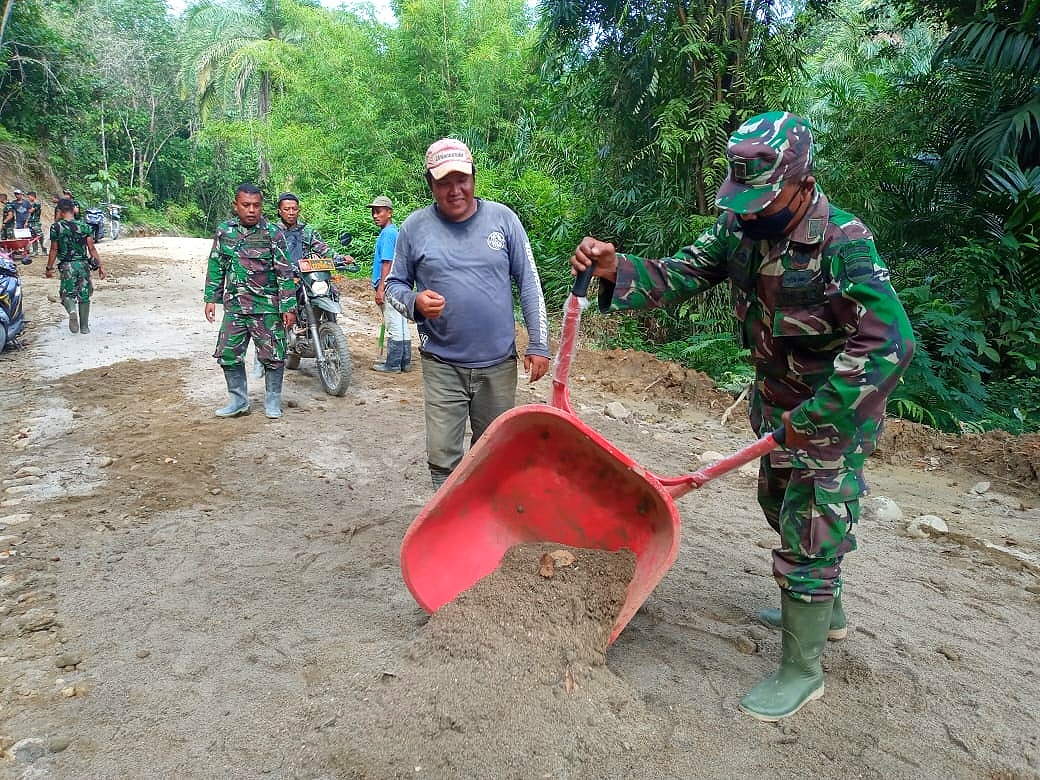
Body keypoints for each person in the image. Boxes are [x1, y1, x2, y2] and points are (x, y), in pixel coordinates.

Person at [570, 111, 916, 722]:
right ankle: (824, 610)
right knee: (777, 505)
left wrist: (824, 413)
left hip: (835, 411)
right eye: (744, 197)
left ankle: (802, 672)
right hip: (777, 403)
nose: (751, 210)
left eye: (764, 196)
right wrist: (615, 269)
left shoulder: (843, 241)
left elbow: (889, 342)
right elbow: (681, 273)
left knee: (810, 527)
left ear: (800, 180)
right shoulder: (739, 226)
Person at [385, 138, 551, 488]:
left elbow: (530, 283)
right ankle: (446, 525)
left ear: (474, 177)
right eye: (444, 182)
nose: (455, 190)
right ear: (430, 184)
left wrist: (539, 343)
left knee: (494, 450)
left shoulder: (503, 220)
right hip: (442, 363)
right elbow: (393, 287)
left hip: (498, 364)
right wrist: (415, 302)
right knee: (443, 453)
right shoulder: (414, 228)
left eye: (462, 179)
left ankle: (484, 523)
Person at [203, 183, 297, 419]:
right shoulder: (225, 232)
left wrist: (288, 307)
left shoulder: (272, 233)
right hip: (235, 307)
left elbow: (284, 272)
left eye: (256, 205)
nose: (252, 210)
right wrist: (210, 298)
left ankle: (273, 402)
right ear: (236, 206)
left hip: (267, 309)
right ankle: (238, 401)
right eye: (246, 205)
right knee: (228, 354)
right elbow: (216, 265)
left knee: (273, 356)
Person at [45, 197, 105, 333]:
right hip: (83, 265)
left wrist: (49, 268)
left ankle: (72, 311)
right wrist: (101, 266)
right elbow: (92, 249)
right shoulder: (84, 226)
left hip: (67, 266)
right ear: (74, 210)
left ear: (60, 211)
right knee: (84, 295)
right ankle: (84, 327)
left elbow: (54, 249)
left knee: (67, 294)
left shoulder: (56, 227)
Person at [368, 195, 410, 373]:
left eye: (379, 212)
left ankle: (393, 364)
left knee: (394, 324)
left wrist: (381, 288)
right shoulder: (394, 232)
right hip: (399, 284)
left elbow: (387, 262)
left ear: (389, 213)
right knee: (401, 323)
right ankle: (404, 362)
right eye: (373, 213)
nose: (375, 216)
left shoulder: (387, 234)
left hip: (389, 285)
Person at [27, 191, 44, 256]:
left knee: (40, 236)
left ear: (33, 196)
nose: (29, 198)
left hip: (36, 222)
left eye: (29, 197)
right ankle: (35, 251)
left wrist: (27, 209)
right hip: (31, 222)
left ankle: (44, 250)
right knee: (32, 237)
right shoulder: (32, 204)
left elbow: (31, 211)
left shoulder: (37, 203)